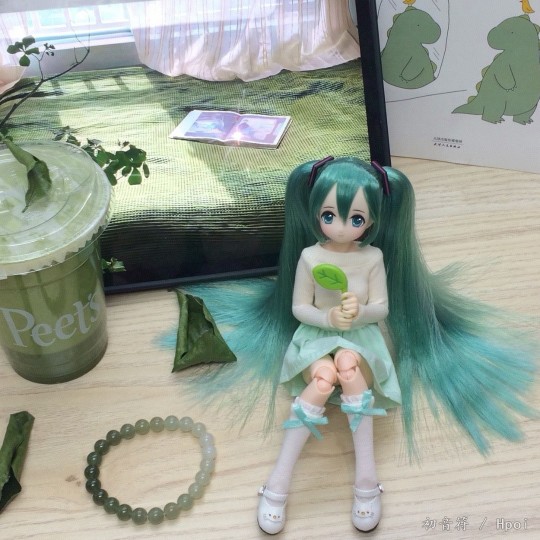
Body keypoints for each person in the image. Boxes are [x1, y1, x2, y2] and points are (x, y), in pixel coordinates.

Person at [185, 156, 536, 534]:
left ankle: (366, 478)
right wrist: (328, 319)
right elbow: (300, 307)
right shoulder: (310, 257)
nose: (340, 227)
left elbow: (381, 308)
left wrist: (360, 310)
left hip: (361, 337)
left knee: (349, 369)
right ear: (315, 213)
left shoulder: (372, 258)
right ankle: (278, 481)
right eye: (329, 215)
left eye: (355, 219)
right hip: (317, 336)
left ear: (371, 222)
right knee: (322, 380)